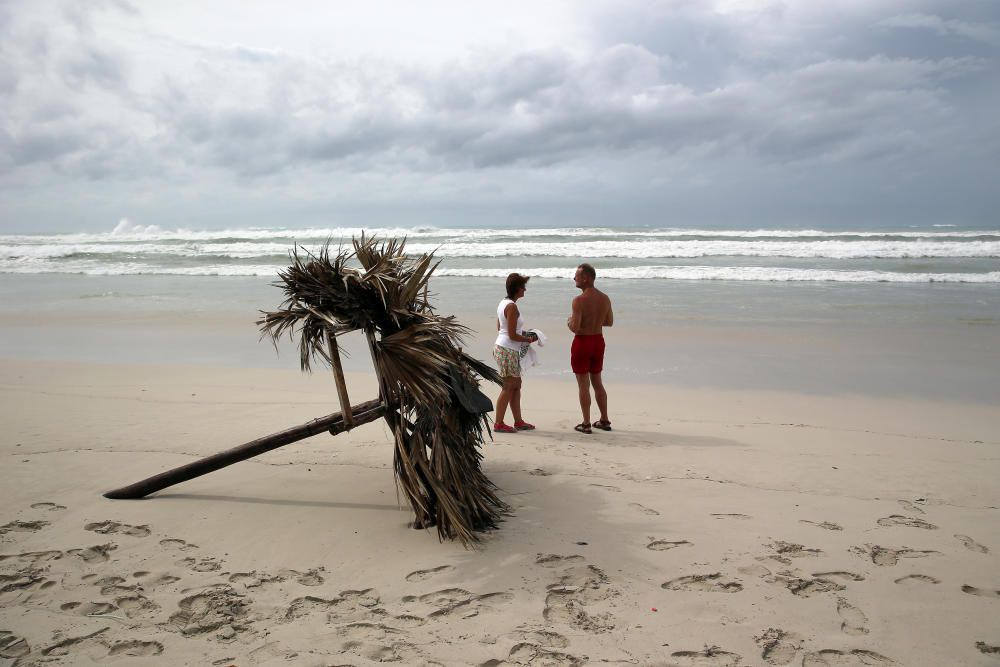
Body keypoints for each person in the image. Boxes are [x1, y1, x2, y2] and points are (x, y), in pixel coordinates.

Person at [566, 263, 613, 434]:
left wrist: (569, 321)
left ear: (585, 278)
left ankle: (586, 423)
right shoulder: (605, 298)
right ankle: (604, 419)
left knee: (583, 385)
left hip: (583, 342)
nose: (574, 278)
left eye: (576, 276)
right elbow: (609, 322)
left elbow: (575, 327)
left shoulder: (579, 300)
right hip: (598, 341)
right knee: (598, 382)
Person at [493, 272, 538, 434]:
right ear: (518, 289)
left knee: (516, 385)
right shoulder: (512, 306)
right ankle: (498, 423)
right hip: (507, 349)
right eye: (523, 287)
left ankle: (518, 421)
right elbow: (511, 335)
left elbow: (501, 328)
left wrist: (522, 333)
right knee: (509, 386)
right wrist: (529, 339)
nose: (525, 290)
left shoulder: (503, 303)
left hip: (504, 347)